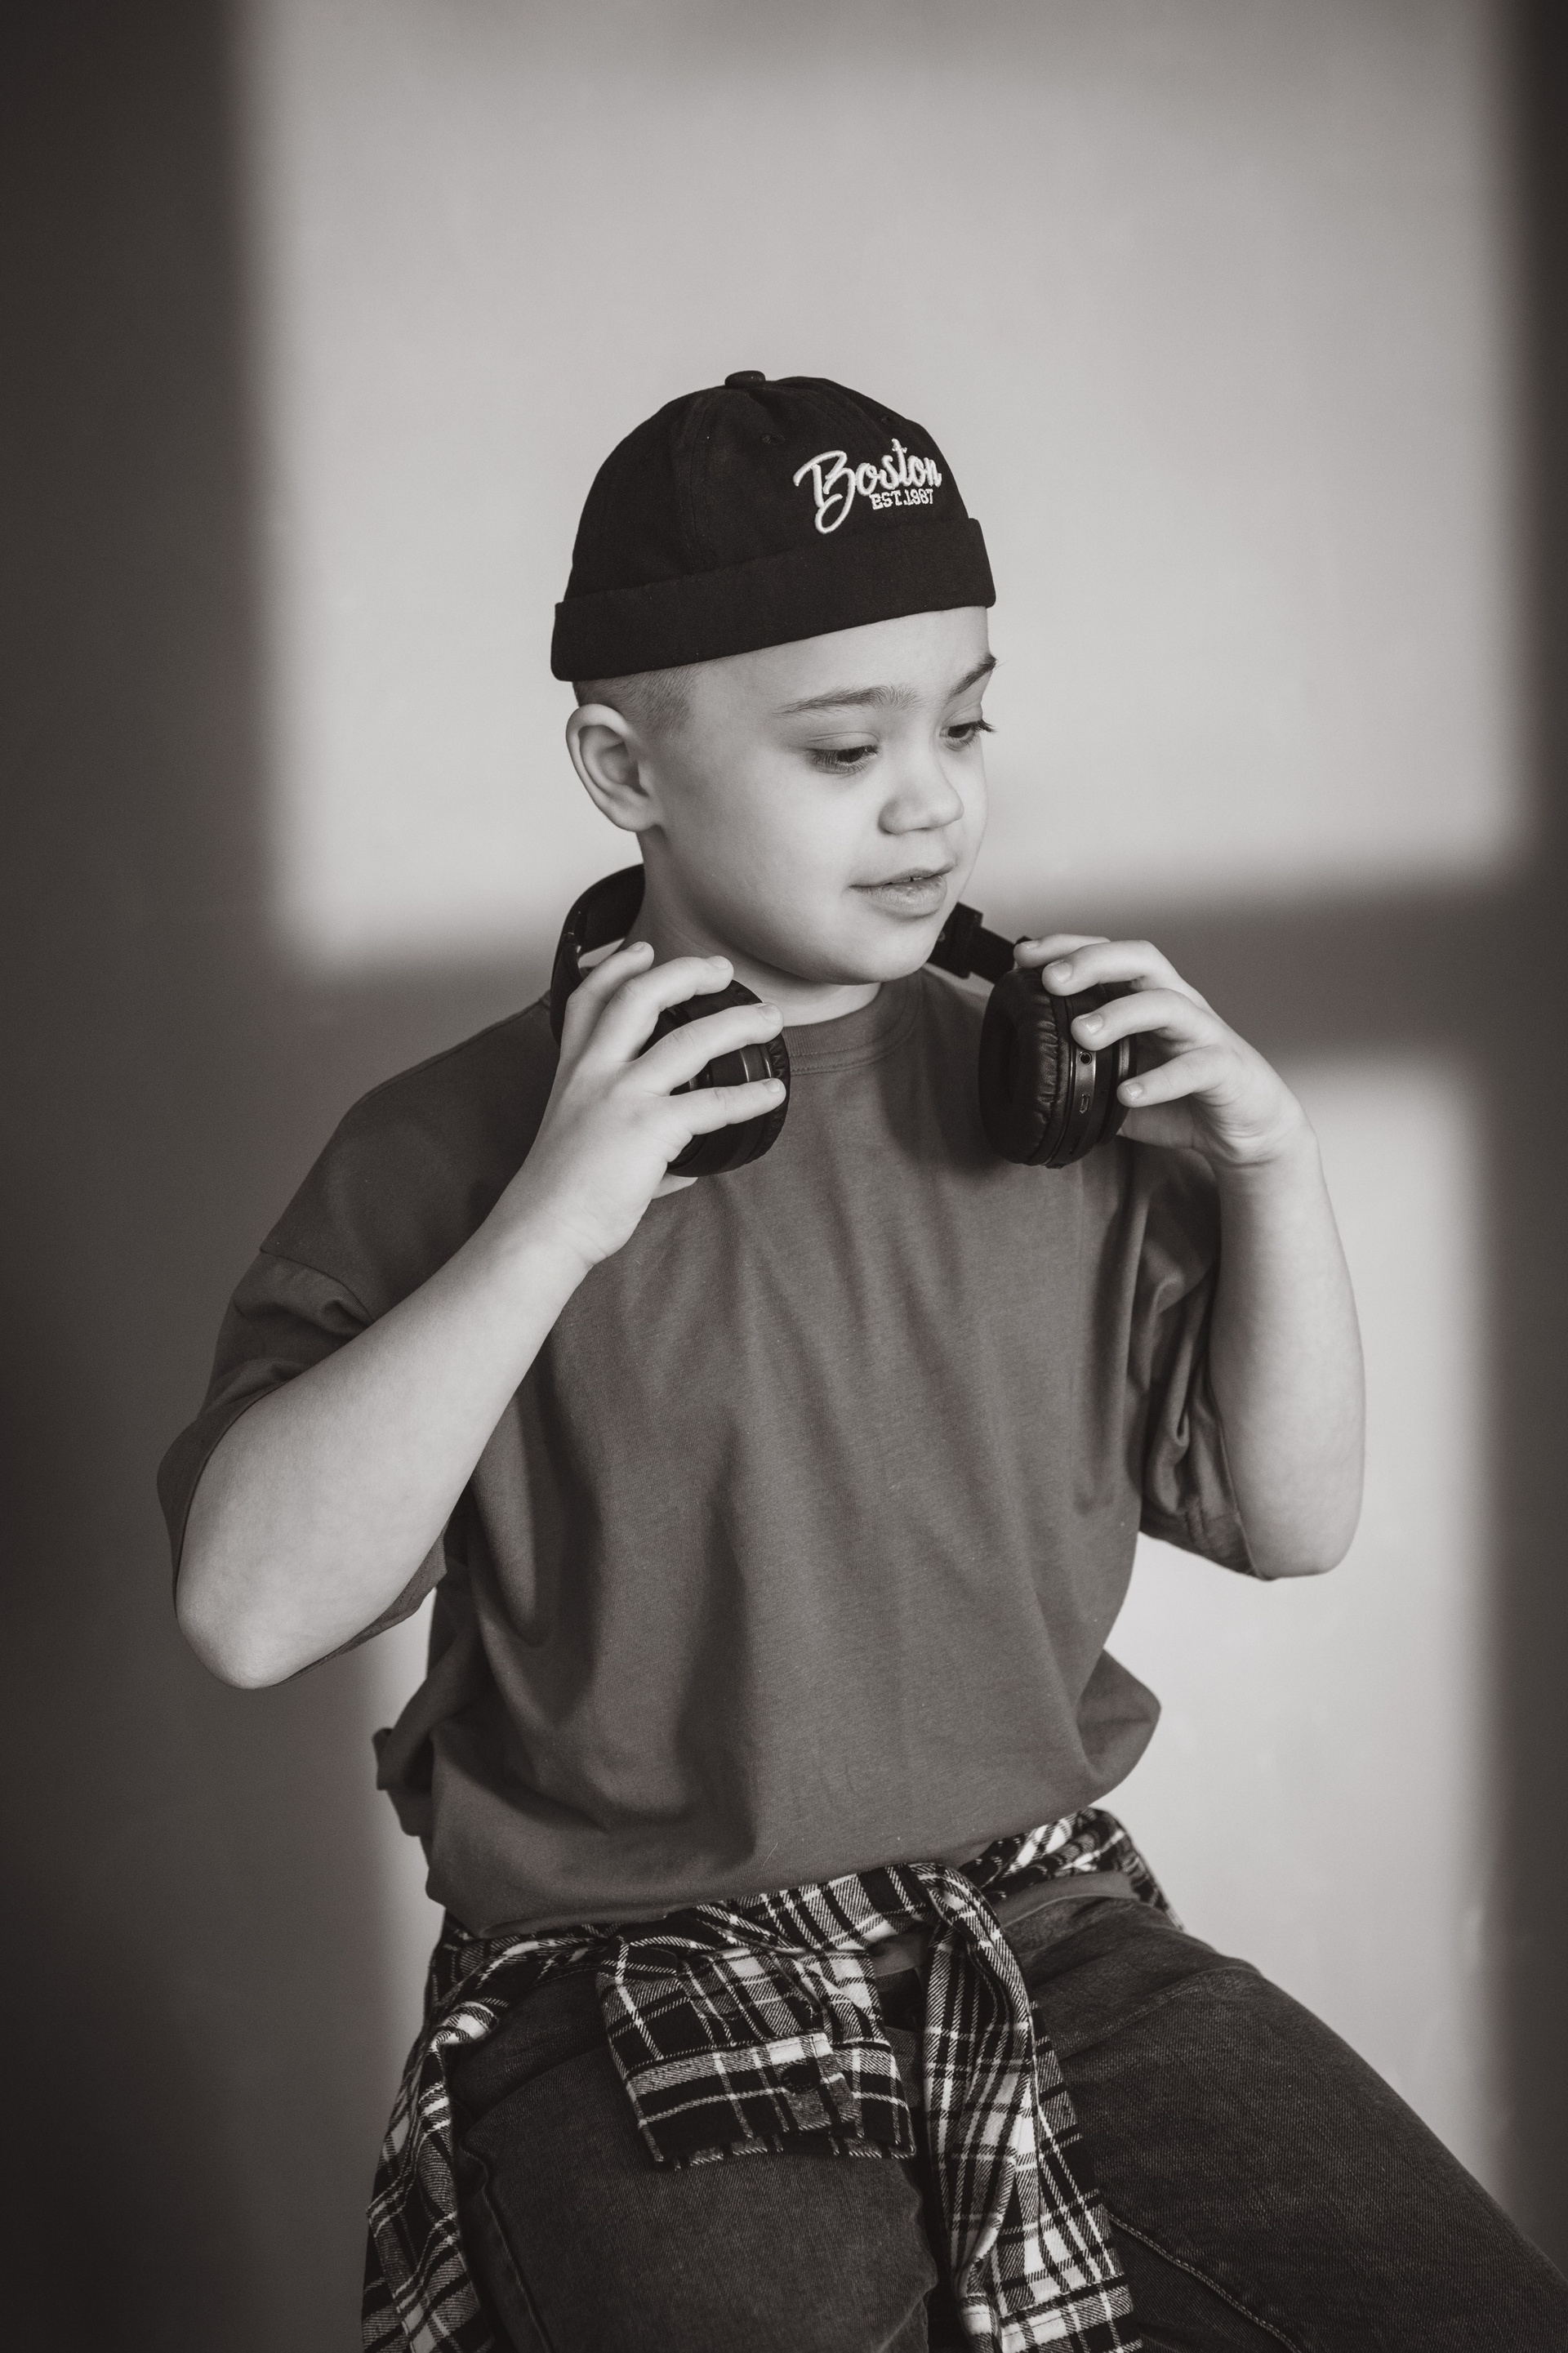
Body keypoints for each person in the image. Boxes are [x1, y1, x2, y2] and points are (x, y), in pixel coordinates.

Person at [160, 374, 1568, 2353]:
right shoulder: (450, 1154)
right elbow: (245, 1611)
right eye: (845, 746)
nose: (935, 801)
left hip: (1049, 1932)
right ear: (622, 766)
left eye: (963, 721)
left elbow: (1293, 1516)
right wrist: (552, 1220)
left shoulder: (1051, 1102)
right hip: (633, 1986)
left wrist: (1270, 1163)